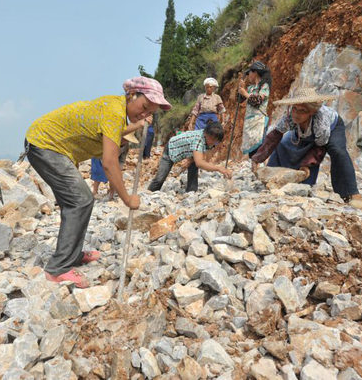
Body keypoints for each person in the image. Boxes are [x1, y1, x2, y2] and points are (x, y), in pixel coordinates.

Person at [23, 76, 170, 287]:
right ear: (132, 95)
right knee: (81, 199)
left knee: (77, 201)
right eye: (144, 106)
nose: (145, 114)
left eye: (150, 113)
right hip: (44, 145)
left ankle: (71, 255)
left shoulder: (117, 110)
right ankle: (58, 269)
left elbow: (115, 135)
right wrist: (128, 199)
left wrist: (135, 125)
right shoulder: (113, 111)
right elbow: (109, 163)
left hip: (51, 146)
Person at [251, 87, 362, 204]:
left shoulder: (321, 120)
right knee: (283, 144)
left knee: (337, 151)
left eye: (302, 110)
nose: (296, 114)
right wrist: (257, 158)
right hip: (306, 130)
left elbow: (320, 146)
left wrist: (306, 164)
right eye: (294, 109)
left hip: (332, 127)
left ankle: (351, 193)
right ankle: (277, 182)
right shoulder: (290, 117)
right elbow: (275, 136)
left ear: (311, 111)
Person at [148, 120, 232, 193]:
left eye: (215, 140)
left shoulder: (207, 139)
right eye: (211, 138)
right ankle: (149, 193)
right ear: (206, 133)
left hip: (188, 151)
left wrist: (190, 160)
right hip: (171, 149)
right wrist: (219, 168)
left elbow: (203, 157)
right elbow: (200, 163)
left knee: (194, 166)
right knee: (160, 178)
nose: (213, 141)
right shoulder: (198, 139)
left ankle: (191, 191)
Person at [238, 61, 271, 173]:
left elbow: (257, 101)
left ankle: (268, 169)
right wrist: (240, 89)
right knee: (252, 149)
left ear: (255, 73)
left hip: (259, 120)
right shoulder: (250, 88)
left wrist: (245, 93)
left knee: (261, 146)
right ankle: (255, 172)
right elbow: (239, 100)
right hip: (250, 122)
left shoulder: (264, 87)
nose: (249, 76)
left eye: (250, 73)